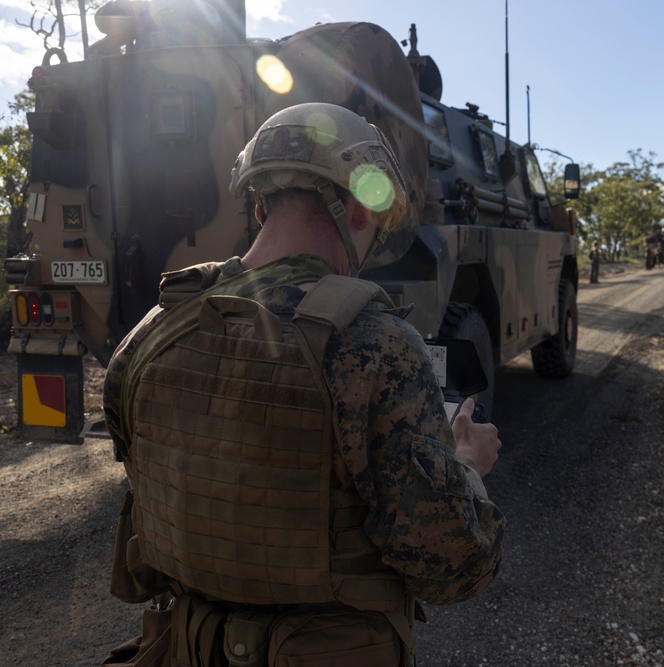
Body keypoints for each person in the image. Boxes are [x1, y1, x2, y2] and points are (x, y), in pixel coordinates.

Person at [101, 103, 506, 667]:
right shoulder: (377, 343)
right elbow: (452, 565)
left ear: (261, 203)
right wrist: (467, 466)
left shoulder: (151, 332)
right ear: (360, 208)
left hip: (183, 649)